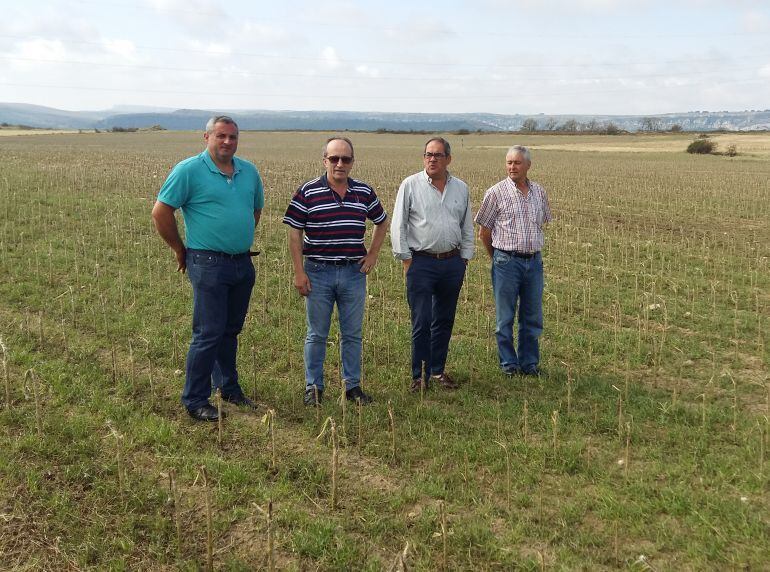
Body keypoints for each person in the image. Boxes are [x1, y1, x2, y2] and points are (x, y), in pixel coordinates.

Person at [152, 115, 264, 421]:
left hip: (242, 262)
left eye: (233, 137)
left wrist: (236, 237)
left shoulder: (249, 171)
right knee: (208, 333)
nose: (228, 142)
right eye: (221, 136)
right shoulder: (188, 170)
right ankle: (195, 399)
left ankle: (228, 388)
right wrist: (179, 249)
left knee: (230, 331)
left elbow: (255, 210)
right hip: (208, 263)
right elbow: (161, 212)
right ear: (207, 138)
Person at [283, 137, 387, 406]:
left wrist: (373, 254)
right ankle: (313, 387)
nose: (340, 164)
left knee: (352, 334)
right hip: (317, 272)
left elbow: (381, 221)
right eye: (334, 158)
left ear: (353, 162)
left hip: (353, 273)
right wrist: (298, 272)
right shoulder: (307, 192)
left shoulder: (364, 192)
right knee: (317, 334)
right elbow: (295, 235)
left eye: (346, 159)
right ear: (324, 160)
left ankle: (351, 387)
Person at [390, 137, 474, 393]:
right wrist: (405, 258)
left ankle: (437, 371)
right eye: (428, 154)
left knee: (445, 320)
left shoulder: (461, 188)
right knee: (422, 320)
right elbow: (398, 224)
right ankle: (419, 376)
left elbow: (467, 226)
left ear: (448, 159)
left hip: (452, 262)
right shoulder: (410, 185)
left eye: (438, 155)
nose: (432, 159)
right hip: (421, 262)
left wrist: (465, 258)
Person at [475, 145, 552, 376]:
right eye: (509, 162)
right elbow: (484, 232)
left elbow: (541, 224)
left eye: (517, 163)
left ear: (528, 165)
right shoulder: (495, 193)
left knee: (532, 317)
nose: (512, 167)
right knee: (504, 318)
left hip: (534, 263)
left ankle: (529, 364)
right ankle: (509, 365)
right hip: (506, 262)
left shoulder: (539, 192)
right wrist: (498, 258)